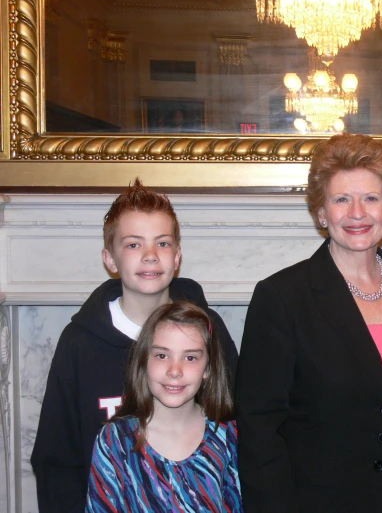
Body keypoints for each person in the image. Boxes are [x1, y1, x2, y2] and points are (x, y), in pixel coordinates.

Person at [236, 133, 382, 513]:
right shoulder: (282, 298)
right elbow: (259, 432)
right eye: (341, 199)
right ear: (321, 213)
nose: (357, 213)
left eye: (371, 198)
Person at [31, 179, 239, 513]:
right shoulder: (80, 343)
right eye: (133, 245)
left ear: (177, 257)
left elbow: (238, 422)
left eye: (162, 243)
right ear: (110, 259)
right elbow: (57, 456)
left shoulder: (208, 330)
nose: (150, 256)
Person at [86, 301, 242, 511]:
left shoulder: (228, 437)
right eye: (162, 355)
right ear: (144, 362)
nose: (174, 370)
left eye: (190, 357)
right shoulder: (115, 441)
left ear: (208, 368)